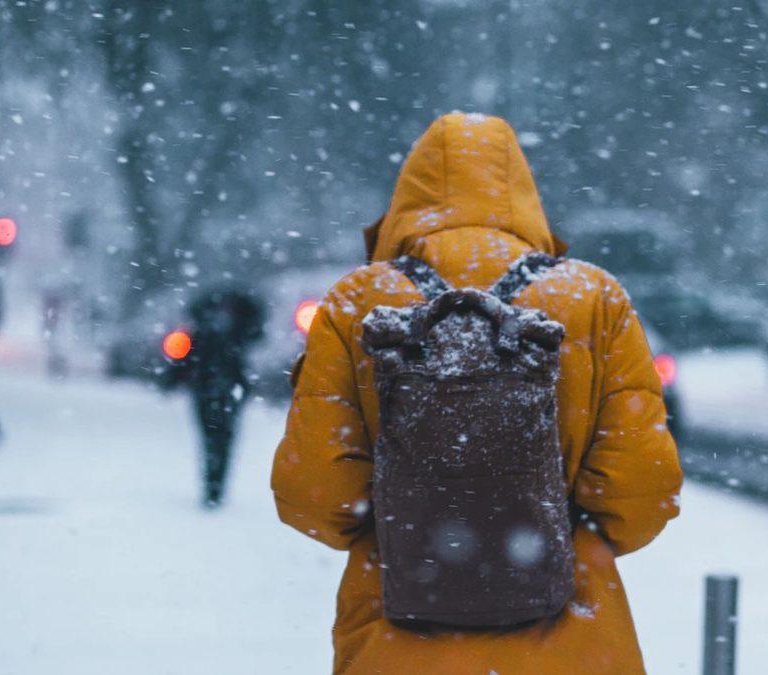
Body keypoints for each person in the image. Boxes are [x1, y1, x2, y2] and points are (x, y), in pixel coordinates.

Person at [271, 112, 683, 673]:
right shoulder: (592, 297)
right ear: (522, 194)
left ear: (407, 198)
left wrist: (409, 527)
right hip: (572, 638)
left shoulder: (357, 301)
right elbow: (641, 492)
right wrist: (545, 535)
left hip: (396, 635)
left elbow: (312, 494)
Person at [167, 288, 264, 508]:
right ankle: (215, 485)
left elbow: (185, 358)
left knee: (214, 439)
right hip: (222, 390)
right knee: (219, 439)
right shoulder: (234, 331)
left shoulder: (209, 329)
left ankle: (213, 486)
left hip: (212, 389)